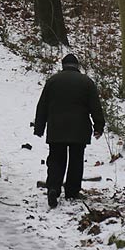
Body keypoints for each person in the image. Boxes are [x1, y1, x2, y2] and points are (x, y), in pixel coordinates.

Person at [34, 53, 105, 208]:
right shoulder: (87, 82)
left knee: (56, 159)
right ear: (77, 66)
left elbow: (42, 105)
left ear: (63, 65)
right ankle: (72, 191)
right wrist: (99, 126)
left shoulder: (52, 81)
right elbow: (95, 107)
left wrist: (39, 127)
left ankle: (53, 187)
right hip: (79, 129)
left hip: (56, 128)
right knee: (76, 160)